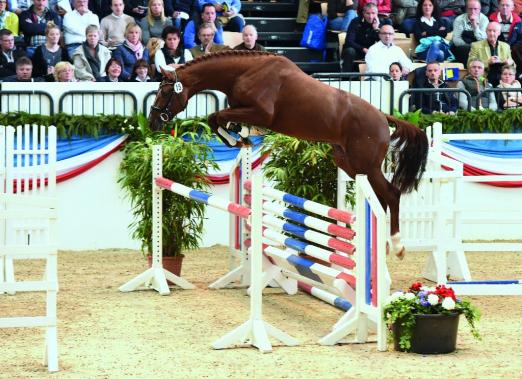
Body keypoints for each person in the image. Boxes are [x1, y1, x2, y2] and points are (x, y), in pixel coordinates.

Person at [341, 3, 392, 72]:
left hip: (373, 52)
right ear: (363, 13)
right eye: (368, 13)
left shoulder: (382, 23)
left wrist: (376, 29)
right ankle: (345, 78)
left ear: (377, 14)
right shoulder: (355, 22)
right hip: (357, 50)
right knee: (350, 51)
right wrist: (363, 49)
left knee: (386, 50)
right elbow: (349, 41)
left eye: (373, 13)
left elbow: (385, 43)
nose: (370, 16)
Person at [468, 21, 514, 86]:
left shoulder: (506, 46)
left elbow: (513, 66)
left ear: (499, 33)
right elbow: (469, 64)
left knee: (513, 82)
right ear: (486, 31)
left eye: (494, 31)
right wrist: (487, 62)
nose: (491, 33)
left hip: (503, 78)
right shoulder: (476, 45)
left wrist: (509, 63)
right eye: (489, 31)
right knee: (484, 81)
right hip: (483, 77)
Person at [451, 0, 488, 65]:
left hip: (479, 46)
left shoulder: (484, 19)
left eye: (475, 9)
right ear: (466, 9)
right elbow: (456, 40)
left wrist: (475, 25)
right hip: (463, 47)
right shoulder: (459, 19)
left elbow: (484, 39)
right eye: (470, 9)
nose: (473, 11)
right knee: (464, 49)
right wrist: (471, 46)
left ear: (480, 9)